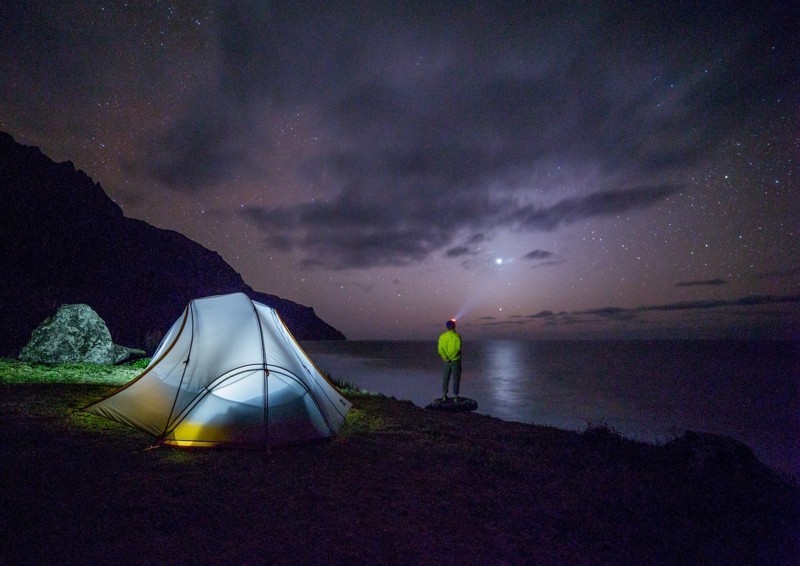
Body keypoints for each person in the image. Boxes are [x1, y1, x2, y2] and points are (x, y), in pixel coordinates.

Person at [437, 319, 462, 402]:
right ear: (454, 326)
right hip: (455, 360)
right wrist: (452, 357)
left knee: (445, 377)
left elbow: (440, 349)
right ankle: (455, 396)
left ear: (447, 327)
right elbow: (457, 349)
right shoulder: (457, 336)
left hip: (446, 361)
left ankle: (444, 395)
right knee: (456, 378)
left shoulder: (442, 336)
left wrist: (446, 358)